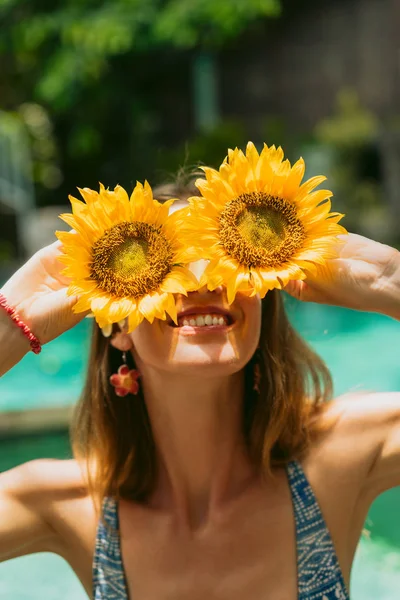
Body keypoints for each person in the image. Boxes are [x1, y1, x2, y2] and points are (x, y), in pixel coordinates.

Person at [0, 177, 399, 600]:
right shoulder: (63, 503)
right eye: (165, 266)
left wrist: (388, 280)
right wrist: (10, 325)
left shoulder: (348, 451)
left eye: (226, 261)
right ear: (116, 323)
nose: (201, 284)